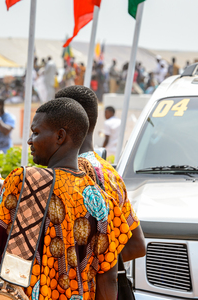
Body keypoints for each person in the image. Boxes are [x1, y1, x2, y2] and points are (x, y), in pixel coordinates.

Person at [0, 98, 132, 300]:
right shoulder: (103, 200)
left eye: (36, 132)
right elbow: (108, 278)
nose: (29, 140)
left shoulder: (26, 180)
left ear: (60, 136)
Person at [55, 86, 145, 262]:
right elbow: (136, 246)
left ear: (62, 127)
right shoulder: (110, 174)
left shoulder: (68, 175)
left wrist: (87, 273)